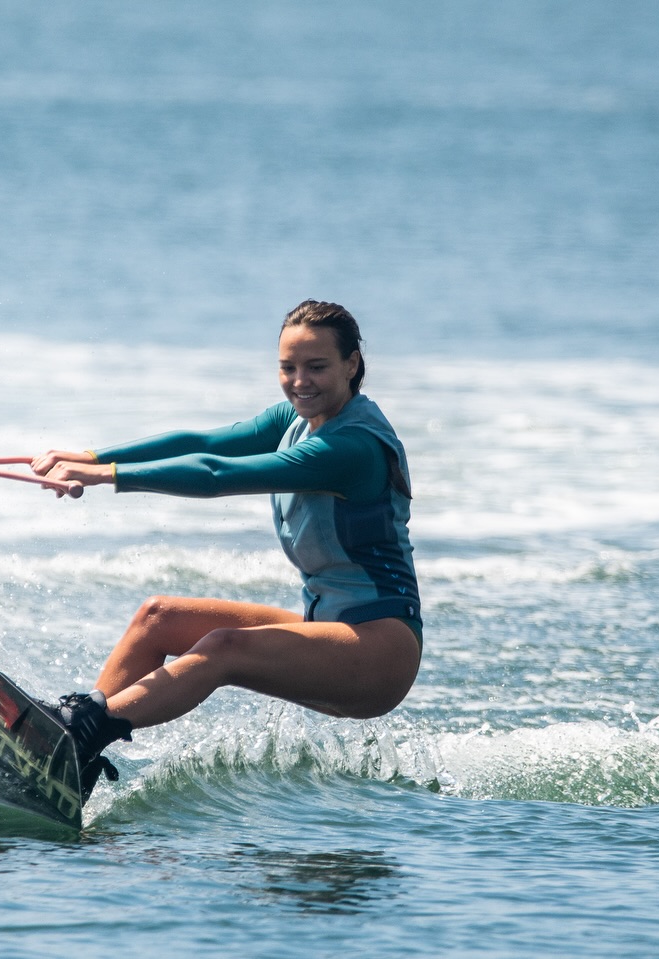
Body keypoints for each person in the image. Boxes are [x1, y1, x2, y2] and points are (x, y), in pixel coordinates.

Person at [31, 300, 422, 799]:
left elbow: (218, 474)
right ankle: (73, 752)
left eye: (317, 367)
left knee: (222, 648)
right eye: (288, 368)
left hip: (379, 652)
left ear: (352, 365)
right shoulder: (296, 420)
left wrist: (108, 476)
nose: (300, 380)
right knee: (159, 616)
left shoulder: (352, 448)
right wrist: (93, 455)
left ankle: (84, 729)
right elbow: (203, 441)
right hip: (329, 626)